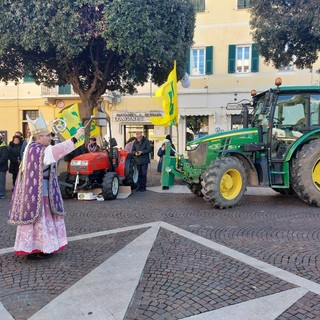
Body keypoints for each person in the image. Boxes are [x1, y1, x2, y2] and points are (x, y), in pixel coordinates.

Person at [8, 112, 84, 259]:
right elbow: (53, 153)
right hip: (37, 191)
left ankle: (44, 246)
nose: (50, 137)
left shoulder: (36, 148)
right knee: (38, 218)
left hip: (43, 189)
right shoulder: (35, 149)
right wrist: (75, 138)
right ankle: (34, 248)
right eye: (48, 135)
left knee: (44, 217)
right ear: (39, 137)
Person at [0, 133, 9, 199]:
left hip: (2, 168)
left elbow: (4, 158)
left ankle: (2, 194)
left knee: (1, 182)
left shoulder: (4, 147)